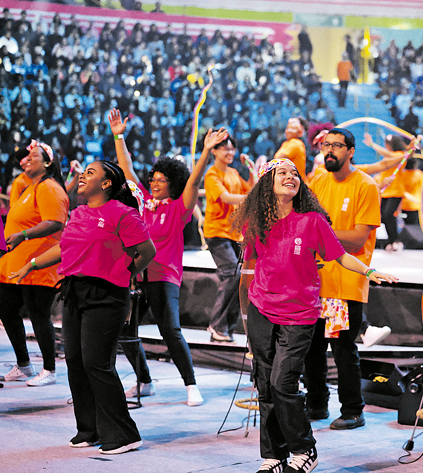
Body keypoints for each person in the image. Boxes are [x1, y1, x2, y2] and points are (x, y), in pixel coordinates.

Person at [232, 158, 397, 473]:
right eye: (283, 173)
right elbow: (248, 271)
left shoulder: (312, 221)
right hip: (261, 311)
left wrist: (370, 271)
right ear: (266, 183)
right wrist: (244, 318)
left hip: (300, 313)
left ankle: (305, 450)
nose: (291, 177)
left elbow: (341, 256)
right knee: (265, 385)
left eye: (295, 174)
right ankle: (273, 456)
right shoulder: (256, 224)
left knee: (283, 383)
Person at [12, 160, 156, 454]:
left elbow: (147, 251)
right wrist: (32, 263)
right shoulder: (78, 213)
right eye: (83, 172)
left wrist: (123, 273)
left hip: (106, 294)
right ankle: (89, 429)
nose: (82, 176)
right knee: (76, 362)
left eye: (90, 173)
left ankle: (124, 434)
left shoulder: (122, 213)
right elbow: (63, 247)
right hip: (74, 290)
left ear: (106, 184)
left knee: (96, 363)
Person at [110, 108, 223, 406]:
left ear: (173, 183)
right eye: (154, 179)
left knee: (170, 330)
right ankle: (145, 381)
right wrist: (119, 135)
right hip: (136, 275)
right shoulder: (144, 203)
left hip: (164, 277)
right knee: (125, 331)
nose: (155, 183)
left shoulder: (178, 209)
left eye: (162, 180)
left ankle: (190, 385)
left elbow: (195, 182)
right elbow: (127, 169)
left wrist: (206, 153)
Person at [304, 128, 381, 430]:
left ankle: (353, 410)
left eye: (337, 145)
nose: (330, 151)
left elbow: (358, 237)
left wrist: (320, 234)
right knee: (310, 349)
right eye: (326, 145)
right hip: (313, 282)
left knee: (343, 351)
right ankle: (316, 404)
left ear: (351, 151)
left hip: (345, 283)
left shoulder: (365, 185)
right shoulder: (317, 181)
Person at [0, 141, 69, 387]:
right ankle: (24, 365)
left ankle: (49, 369)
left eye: (33, 155)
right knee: (6, 309)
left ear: (48, 163)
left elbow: (55, 222)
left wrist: (24, 235)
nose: (27, 158)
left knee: (39, 316)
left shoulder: (49, 187)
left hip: (40, 263)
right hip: (17, 264)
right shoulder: (32, 187)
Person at [203, 134, 253, 342]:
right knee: (233, 275)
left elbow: (251, 188)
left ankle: (225, 328)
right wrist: (253, 197)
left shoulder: (233, 172)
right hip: (217, 233)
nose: (230, 152)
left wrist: (250, 168)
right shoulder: (212, 174)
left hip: (233, 234)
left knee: (239, 279)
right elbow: (226, 198)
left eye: (232, 149)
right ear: (214, 151)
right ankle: (216, 325)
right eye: (225, 149)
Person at [362, 133, 411, 252]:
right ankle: (391, 240)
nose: (386, 146)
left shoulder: (400, 156)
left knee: (389, 214)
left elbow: (388, 155)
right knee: (384, 216)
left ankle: (396, 240)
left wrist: (372, 144)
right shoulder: (388, 157)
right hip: (385, 191)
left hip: (396, 191)